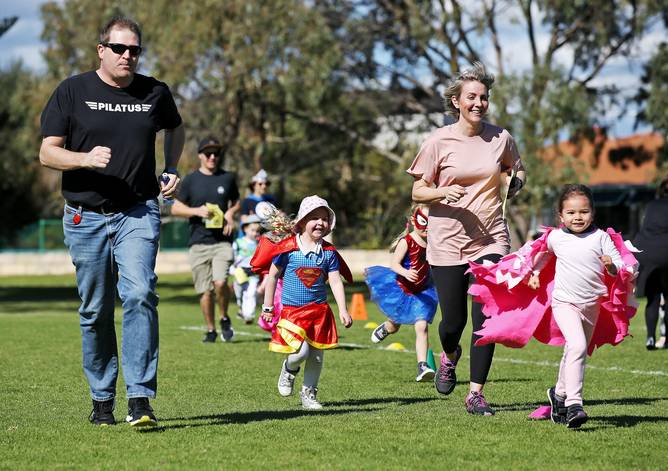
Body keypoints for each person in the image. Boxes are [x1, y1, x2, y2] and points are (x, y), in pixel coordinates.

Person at [39, 16, 185, 427]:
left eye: (134, 49)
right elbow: (48, 153)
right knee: (95, 309)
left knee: (139, 294)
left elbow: (175, 127)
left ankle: (140, 399)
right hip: (85, 216)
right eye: (119, 48)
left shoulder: (155, 92)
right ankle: (102, 399)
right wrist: (84, 158)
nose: (127, 56)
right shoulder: (72, 91)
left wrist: (171, 166)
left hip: (138, 211)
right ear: (101, 49)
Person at [407, 61, 526, 415]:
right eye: (471, 97)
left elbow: (515, 169)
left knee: (487, 315)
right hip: (446, 240)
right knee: (452, 323)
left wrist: (515, 182)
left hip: (491, 237)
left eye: (484, 97)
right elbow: (418, 190)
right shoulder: (437, 141)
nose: (479, 103)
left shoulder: (501, 137)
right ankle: (450, 354)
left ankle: (476, 393)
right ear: (456, 101)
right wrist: (441, 192)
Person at [468, 184, 637, 428]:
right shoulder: (556, 237)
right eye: (571, 213)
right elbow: (544, 252)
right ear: (560, 216)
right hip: (564, 303)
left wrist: (611, 266)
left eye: (583, 212)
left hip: (592, 306)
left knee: (574, 351)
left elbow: (622, 266)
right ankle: (574, 405)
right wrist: (534, 271)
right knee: (577, 345)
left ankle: (558, 395)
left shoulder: (601, 238)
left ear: (593, 213)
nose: (577, 217)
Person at [251, 196, 353, 410]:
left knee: (316, 357)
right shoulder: (288, 248)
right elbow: (272, 276)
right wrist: (267, 307)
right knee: (300, 353)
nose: (320, 223)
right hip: (293, 312)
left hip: (320, 313)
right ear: (302, 221)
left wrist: (343, 309)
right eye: (314, 217)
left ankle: (309, 393)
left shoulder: (328, 253)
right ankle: (289, 370)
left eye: (325, 219)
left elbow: (335, 280)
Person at [171, 137, 240, 343]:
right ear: (200, 155)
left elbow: (236, 202)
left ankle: (224, 316)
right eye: (208, 153)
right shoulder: (191, 180)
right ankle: (211, 330)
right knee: (205, 292)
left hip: (222, 242)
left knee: (220, 282)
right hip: (198, 243)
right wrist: (196, 211)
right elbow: (175, 207)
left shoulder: (227, 178)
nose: (212, 157)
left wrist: (230, 214)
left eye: (216, 153)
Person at [365, 204, 439, 382]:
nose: (428, 227)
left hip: (423, 292)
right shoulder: (406, 241)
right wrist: (406, 272)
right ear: (414, 220)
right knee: (394, 324)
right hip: (401, 290)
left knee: (421, 327)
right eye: (424, 221)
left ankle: (422, 366)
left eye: (432, 223)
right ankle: (386, 327)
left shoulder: (433, 242)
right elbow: (394, 264)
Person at [632, 177, 668, 350]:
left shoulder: (652, 205)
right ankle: (666, 336)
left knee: (653, 298)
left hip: (647, 251)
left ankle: (650, 338)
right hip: (665, 250)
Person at [232, 215, 262, 324]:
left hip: (253, 272)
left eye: (257, 231)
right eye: (252, 230)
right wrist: (232, 268)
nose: (255, 233)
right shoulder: (238, 242)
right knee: (240, 293)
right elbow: (233, 257)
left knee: (251, 293)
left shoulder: (259, 244)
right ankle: (241, 308)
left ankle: (249, 315)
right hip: (240, 271)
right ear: (245, 229)